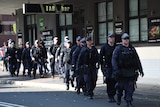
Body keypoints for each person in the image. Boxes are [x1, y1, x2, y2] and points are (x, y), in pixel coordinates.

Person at [112, 33, 144, 107]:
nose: (126, 40)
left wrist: (140, 69)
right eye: (124, 39)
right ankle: (119, 96)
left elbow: (137, 59)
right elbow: (114, 60)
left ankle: (128, 101)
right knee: (120, 87)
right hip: (121, 71)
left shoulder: (132, 48)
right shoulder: (118, 49)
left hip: (130, 71)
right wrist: (116, 70)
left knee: (130, 87)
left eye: (127, 39)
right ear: (122, 40)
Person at [99, 33, 116, 102]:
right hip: (108, 67)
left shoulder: (117, 47)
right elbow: (100, 57)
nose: (112, 39)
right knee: (109, 81)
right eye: (110, 37)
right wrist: (102, 67)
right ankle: (110, 95)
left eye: (113, 37)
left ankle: (113, 94)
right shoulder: (104, 47)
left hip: (115, 67)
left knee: (115, 81)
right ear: (108, 38)